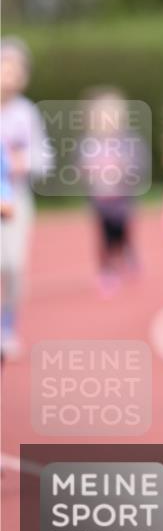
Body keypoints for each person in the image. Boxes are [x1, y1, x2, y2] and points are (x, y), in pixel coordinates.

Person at [0, 37, 50, 360]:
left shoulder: (26, 114)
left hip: (15, 201)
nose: (7, 74)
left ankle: (7, 326)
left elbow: (45, 159)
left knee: (12, 266)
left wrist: (24, 162)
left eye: (14, 68)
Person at [80, 87, 148, 297]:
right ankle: (107, 270)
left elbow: (139, 164)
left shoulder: (128, 142)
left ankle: (128, 254)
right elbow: (80, 167)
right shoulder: (89, 143)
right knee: (105, 238)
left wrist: (126, 170)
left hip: (123, 201)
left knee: (123, 233)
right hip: (100, 203)